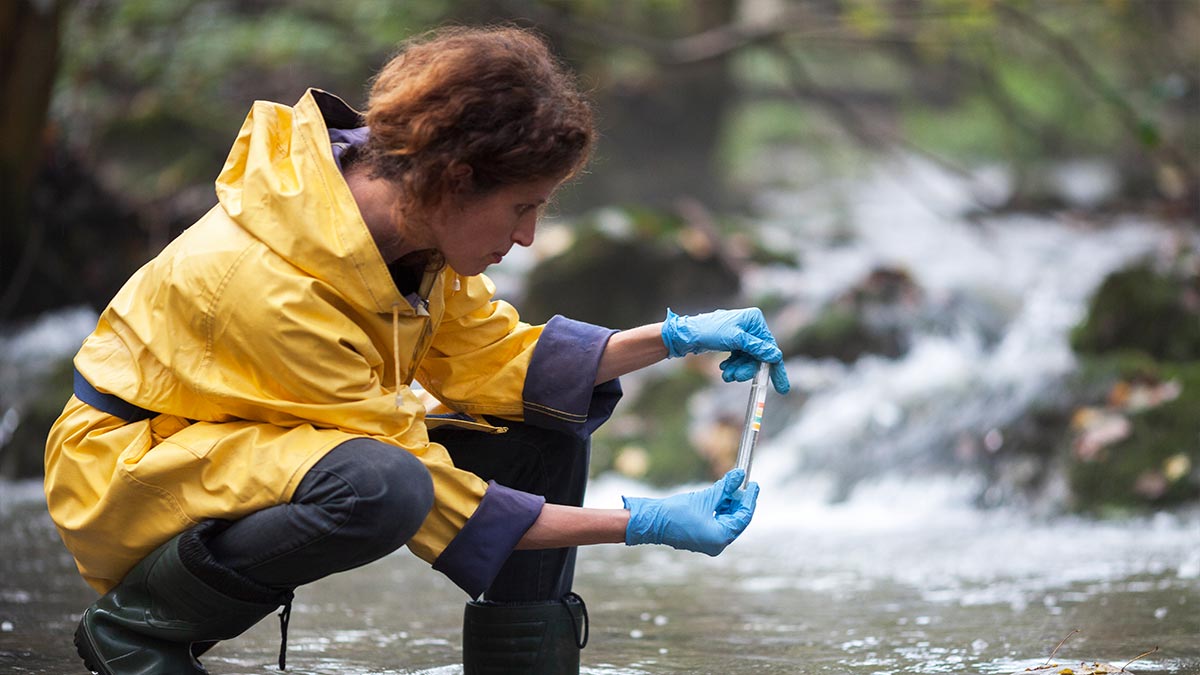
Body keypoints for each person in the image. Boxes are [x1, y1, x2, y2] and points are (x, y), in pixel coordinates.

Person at [44, 25, 790, 675]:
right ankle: (136, 628)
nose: (528, 235)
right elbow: (436, 499)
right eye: (521, 207)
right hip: (131, 470)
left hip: (237, 443)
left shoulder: (405, 213)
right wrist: (643, 522)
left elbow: (496, 360)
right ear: (456, 181)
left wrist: (674, 337)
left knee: (540, 424)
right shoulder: (273, 289)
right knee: (384, 487)